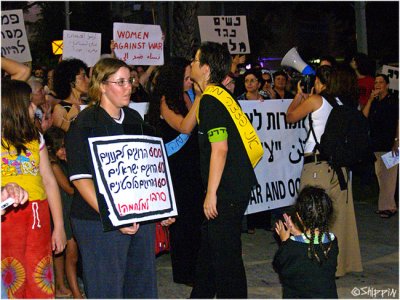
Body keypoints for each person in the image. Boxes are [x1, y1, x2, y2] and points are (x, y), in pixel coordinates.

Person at [65, 57, 174, 298]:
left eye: (130, 80)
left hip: (137, 218)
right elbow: (81, 180)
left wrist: (161, 207)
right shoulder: (84, 124)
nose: (129, 87)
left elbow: (147, 170)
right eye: (121, 81)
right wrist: (114, 216)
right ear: (102, 86)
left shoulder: (135, 119)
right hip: (97, 221)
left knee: (141, 286)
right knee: (107, 289)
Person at [189, 42, 259, 298]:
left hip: (226, 191)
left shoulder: (211, 101)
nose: (192, 65)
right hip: (233, 186)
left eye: (195, 61)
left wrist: (211, 193)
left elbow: (220, 149)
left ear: (206, 69)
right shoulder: (222, 95)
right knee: (209, 254)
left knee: (226, 259)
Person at [286, 64, 363, 278]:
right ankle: (338, 266)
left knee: (309, 215)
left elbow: (290, 117)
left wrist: (300, 95)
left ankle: (310, 263)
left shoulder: (315, 100)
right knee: (337, 218)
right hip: (339, 168)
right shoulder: (341, 103)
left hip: (317, 165)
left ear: (321, 83)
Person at [1, 79, 66, 298]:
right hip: (7, 219)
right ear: (15, 107)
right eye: (29, 102)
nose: (35, 106)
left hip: (37, 216)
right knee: (11, 278)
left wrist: (59, 226)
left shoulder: (35, 138)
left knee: (39, 275)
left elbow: (48, 181)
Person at [146, 58, 204, 286]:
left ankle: (197, 266)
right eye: (187, 76)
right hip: (176, 167)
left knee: (196, 217)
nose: (191, 80)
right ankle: (183, 271)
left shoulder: (188, 97)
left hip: (192, 164)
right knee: (183, 220)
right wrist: (200, 97)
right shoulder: (165, 101)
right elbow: (185, 126)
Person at [273, 186, 338, 298]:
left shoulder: (292, 246)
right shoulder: (332, 241)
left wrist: (284, 242)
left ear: (298, 216)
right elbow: (312, 245)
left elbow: (279, 265)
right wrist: (298, 234)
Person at [44, 126, 83, 298]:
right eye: (60, 147)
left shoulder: (62, 163)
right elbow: (69, 189)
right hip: (65, 213)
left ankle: (61, 286)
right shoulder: (53, 166)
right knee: (71, 255)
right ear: (51, 149)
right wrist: (86, 184)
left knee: (63, 254)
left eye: (65, 146)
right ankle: (75, 292)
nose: (64, 150)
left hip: (67, 211)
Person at [362, 74, 399, 218]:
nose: (377, 85)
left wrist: (397, 141)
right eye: (376, 82)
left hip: (391, 144)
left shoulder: (393, 101)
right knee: (381, 176)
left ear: (387, 85)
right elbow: (363, 117)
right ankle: (387, 206)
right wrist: (370, 99)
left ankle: (388, 207)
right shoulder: (375, 102)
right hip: (376, 145)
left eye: (381, 82)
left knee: (390, 176)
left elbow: (398, 121)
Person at [52, 58, 89, 132]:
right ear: (71, 81)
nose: (88, 80)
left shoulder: (88, 103)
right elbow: (58, 139)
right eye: (83, 76)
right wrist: (69, 117)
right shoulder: (60, 108)